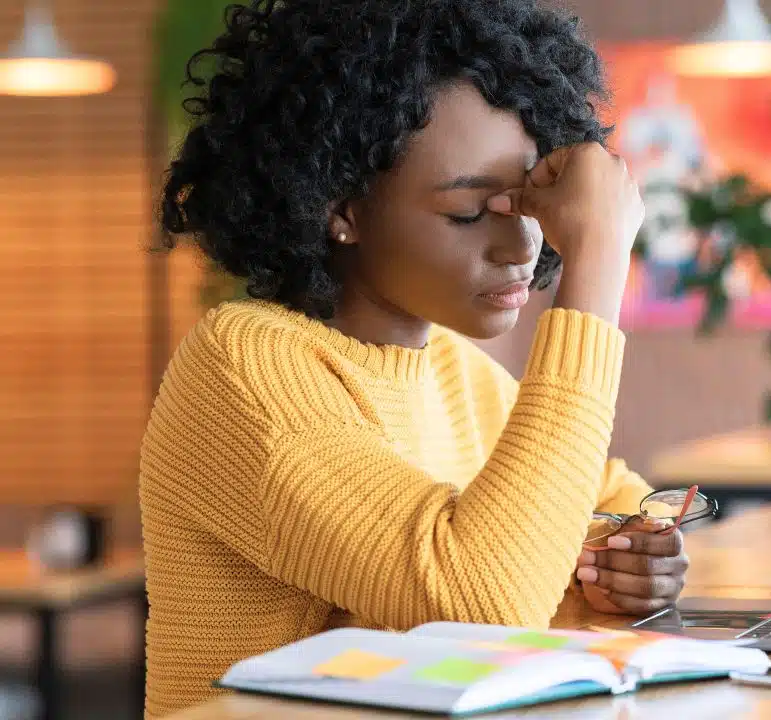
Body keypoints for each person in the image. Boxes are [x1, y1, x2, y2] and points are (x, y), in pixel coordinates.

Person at [139, 1, 687, 716]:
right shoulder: (244, 369)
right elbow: (481, 600)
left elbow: (615, 501)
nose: (522, 245)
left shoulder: (453, 371)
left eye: (532, 206)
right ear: (342, 206)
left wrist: (639, 560)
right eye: (469, 213)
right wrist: (599, 262)